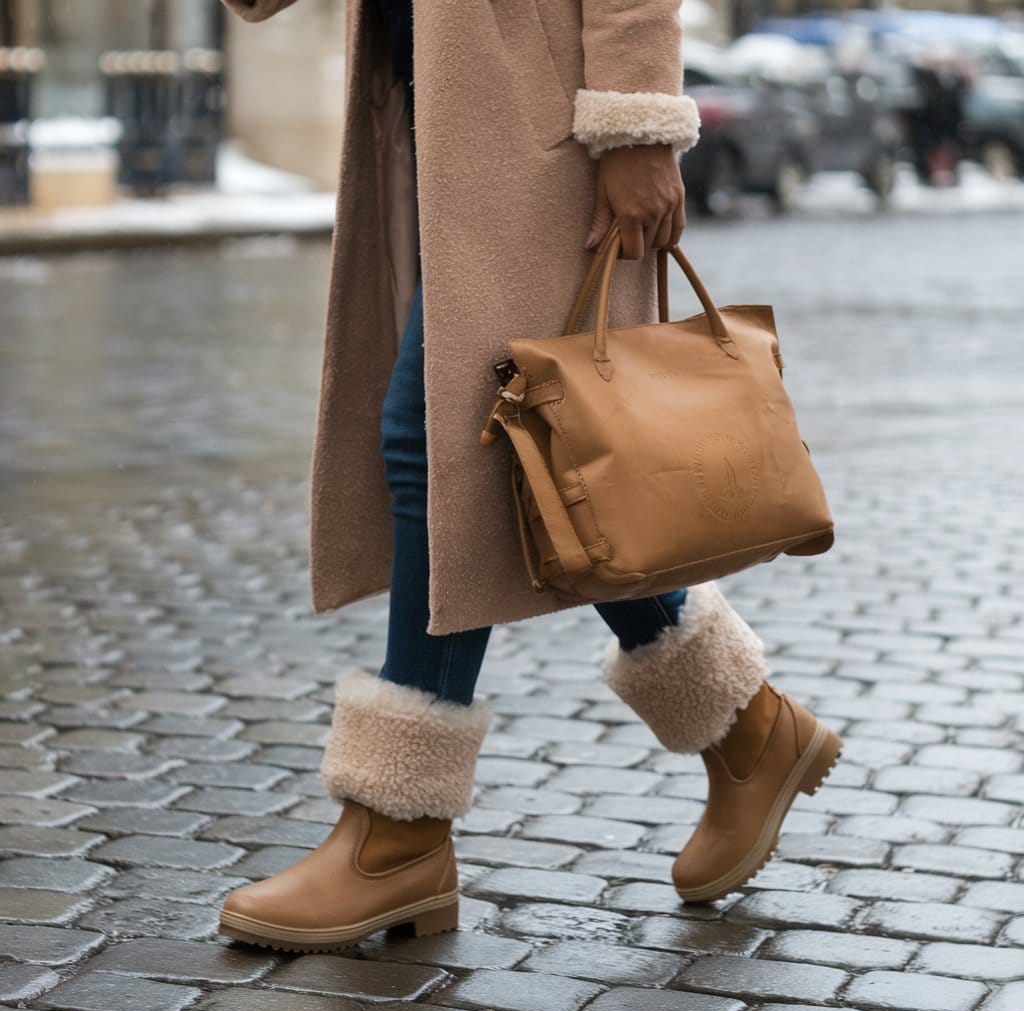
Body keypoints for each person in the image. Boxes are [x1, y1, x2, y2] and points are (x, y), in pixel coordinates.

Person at [216, 0, 842, 951]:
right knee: (529, 457)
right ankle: (751, 732)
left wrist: (636, 121)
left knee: (444, 444)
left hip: (539, 120)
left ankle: (399, 833)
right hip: (436, 101)